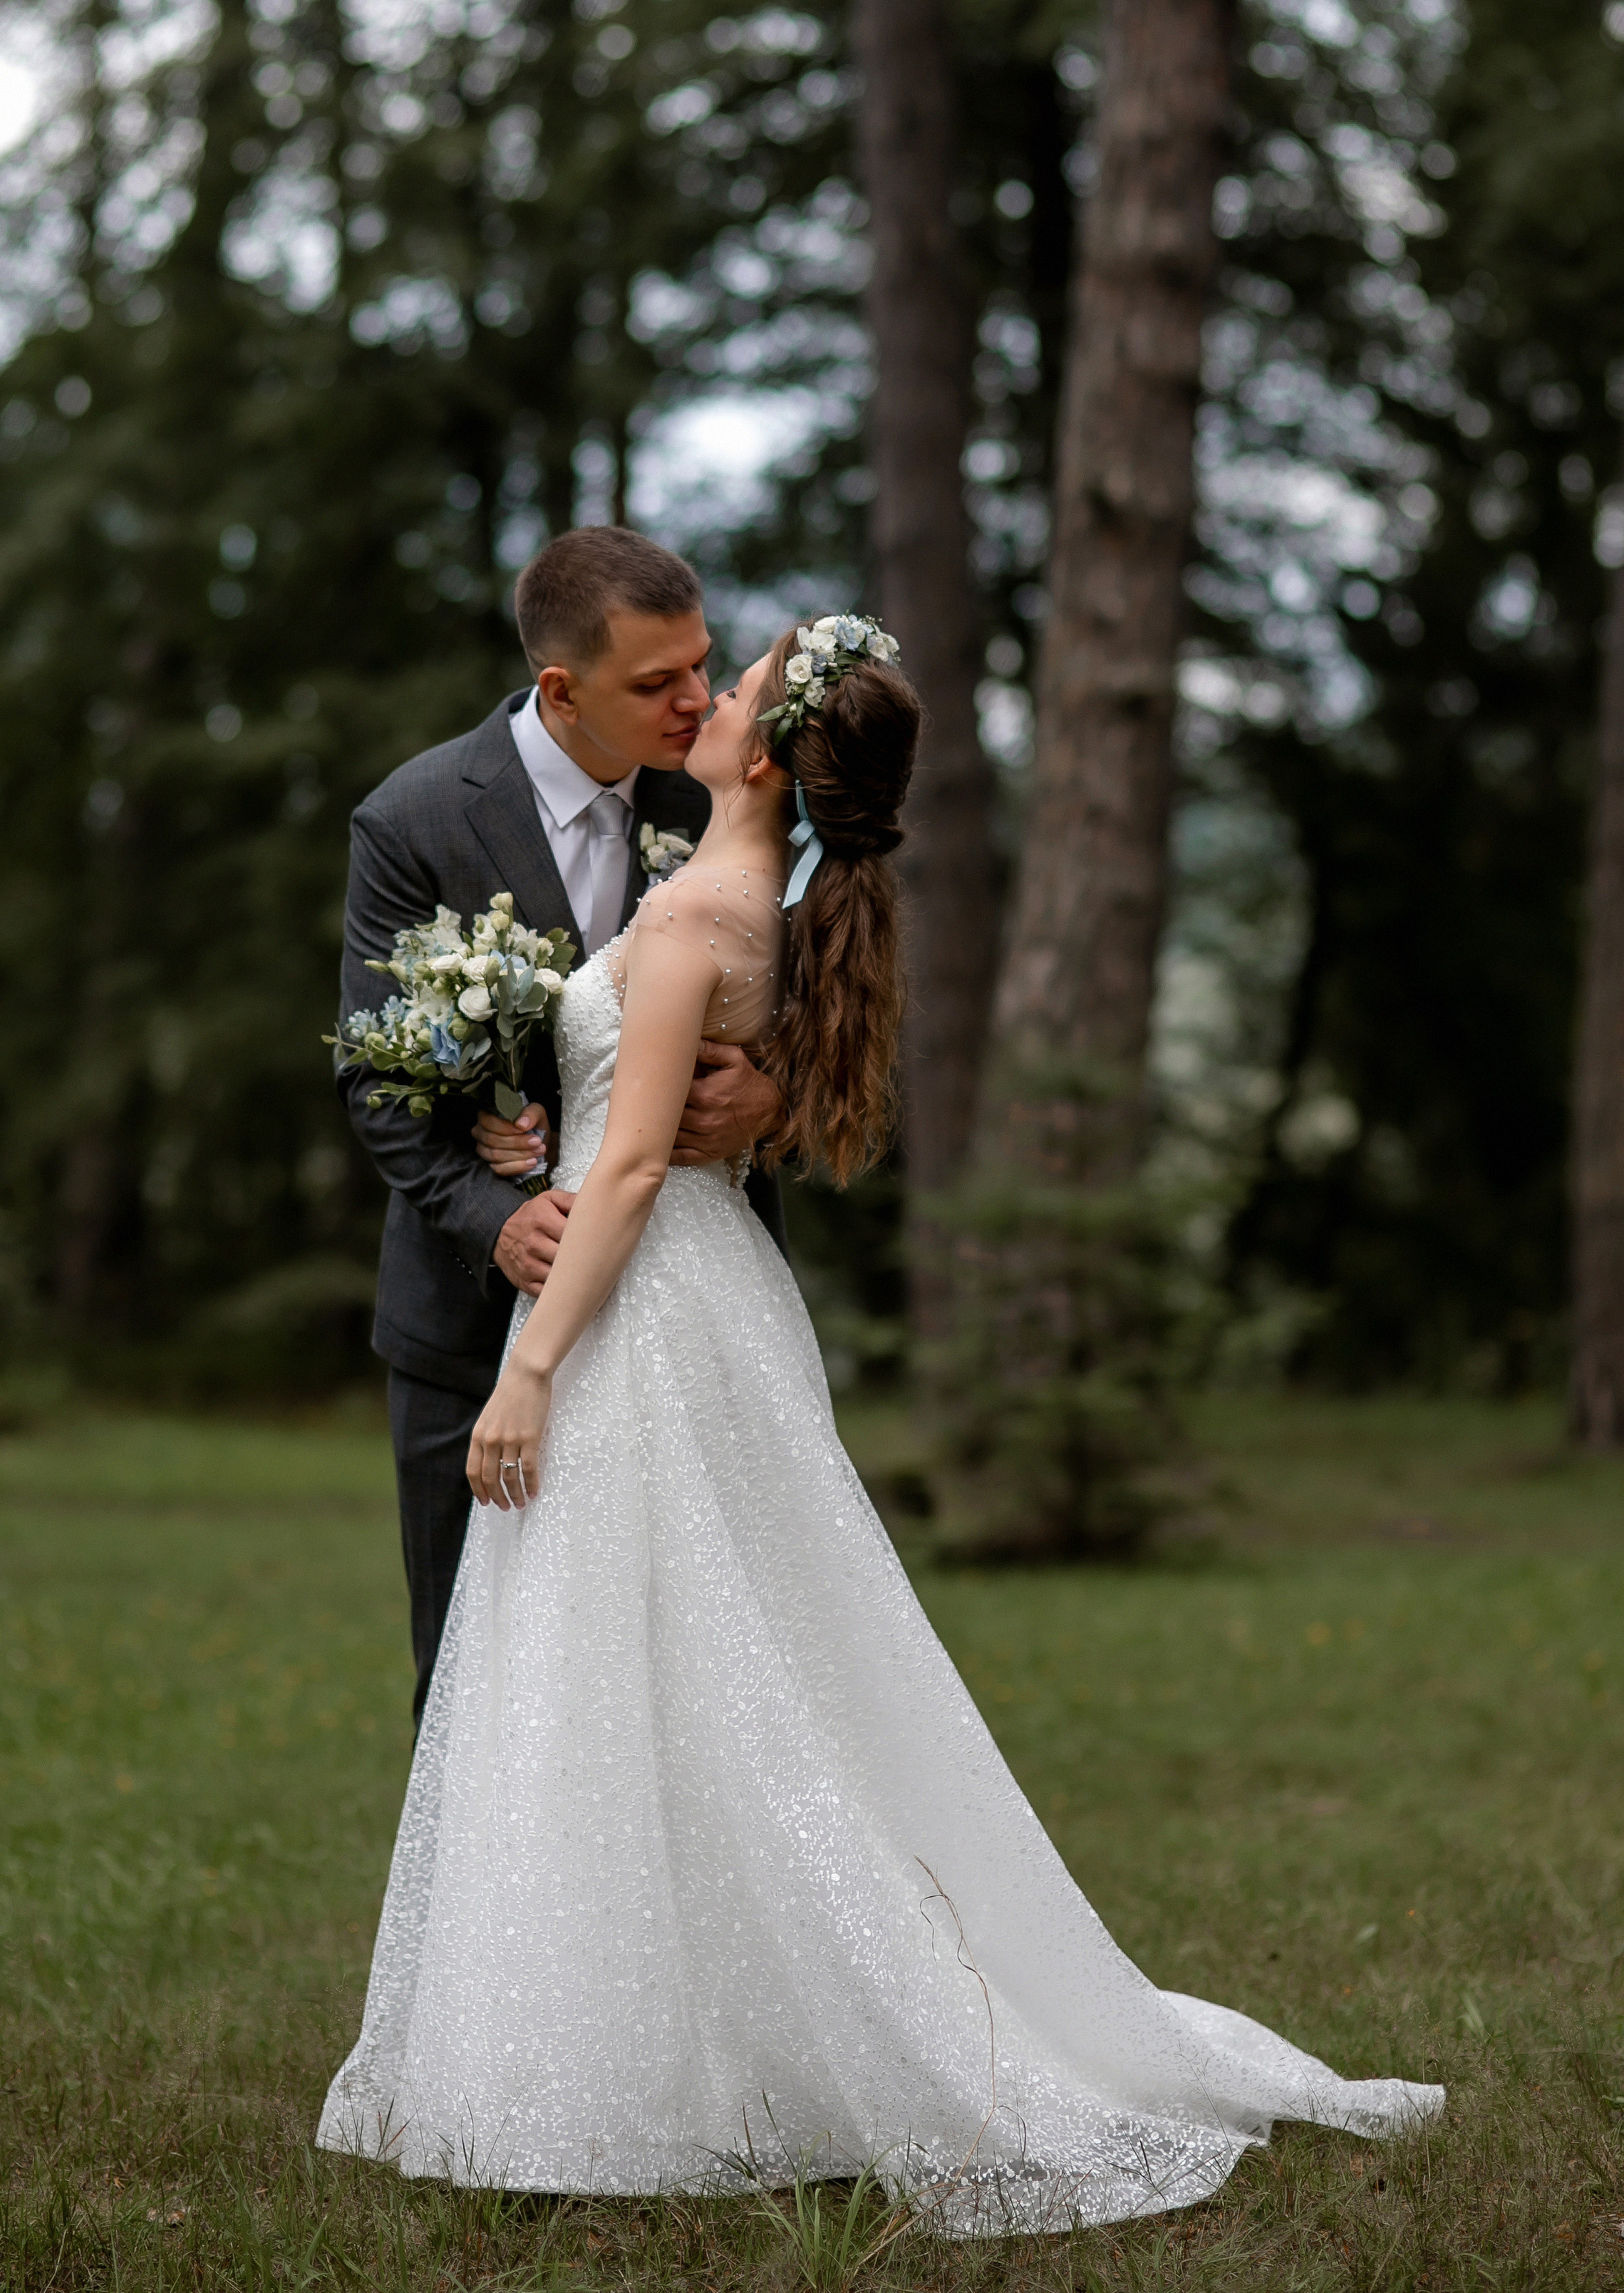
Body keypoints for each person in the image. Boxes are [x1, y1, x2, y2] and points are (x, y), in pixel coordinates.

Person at [319, 618, 1442, 2235]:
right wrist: (511, 1123)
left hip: (642, 1309)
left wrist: (531, 1369)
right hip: (684, 1301)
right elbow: (602, 1105)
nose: (704, 704)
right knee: (655, 1676)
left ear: (765, 758)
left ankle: (659, 2064)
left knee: (668, 1673)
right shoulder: (749, 894)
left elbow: (630, 1167)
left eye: (736, 692)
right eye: (686, 680)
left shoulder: (705, 901)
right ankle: (643, 2044)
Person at [337, 527, 784, 1718]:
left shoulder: (727, 791)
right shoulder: (415, 819)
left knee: (704, 1676)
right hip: (468, 1323)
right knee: (477, 1686)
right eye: (657, 683)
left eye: (703, 665)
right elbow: (378, 1083)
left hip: (686, 1311)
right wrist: (495, 1220)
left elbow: (833, 996)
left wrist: (773, 1089)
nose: (698, 700)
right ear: (560, 689)